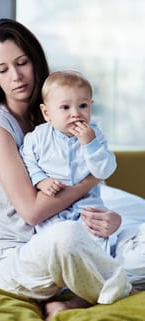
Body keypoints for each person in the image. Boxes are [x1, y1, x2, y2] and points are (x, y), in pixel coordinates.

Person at [0, 18, 135, 321]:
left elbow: (86, 185)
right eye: (3, 70)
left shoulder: (49, 119)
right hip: (14, 257)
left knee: (131, 230)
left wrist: (113, 220)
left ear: (35, 60)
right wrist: (92, 178)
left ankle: (81, 296)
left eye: (22, 62)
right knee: (65, 236)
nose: (16, 76)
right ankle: (107, 289)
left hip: (61, 243)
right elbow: (32, 212)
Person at [20, 70, 117, 253]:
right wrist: (40, 180)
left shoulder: (94, 135)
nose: (75, 114)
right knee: (53, 245)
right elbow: (27, 160)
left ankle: (98, 272)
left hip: (87, 208)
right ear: (47, 113)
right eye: (65, 108)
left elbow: (104, 170)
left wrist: (90, 144)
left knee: (96, 244)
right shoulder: (38, 137)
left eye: (82, 106)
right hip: (53, 209)